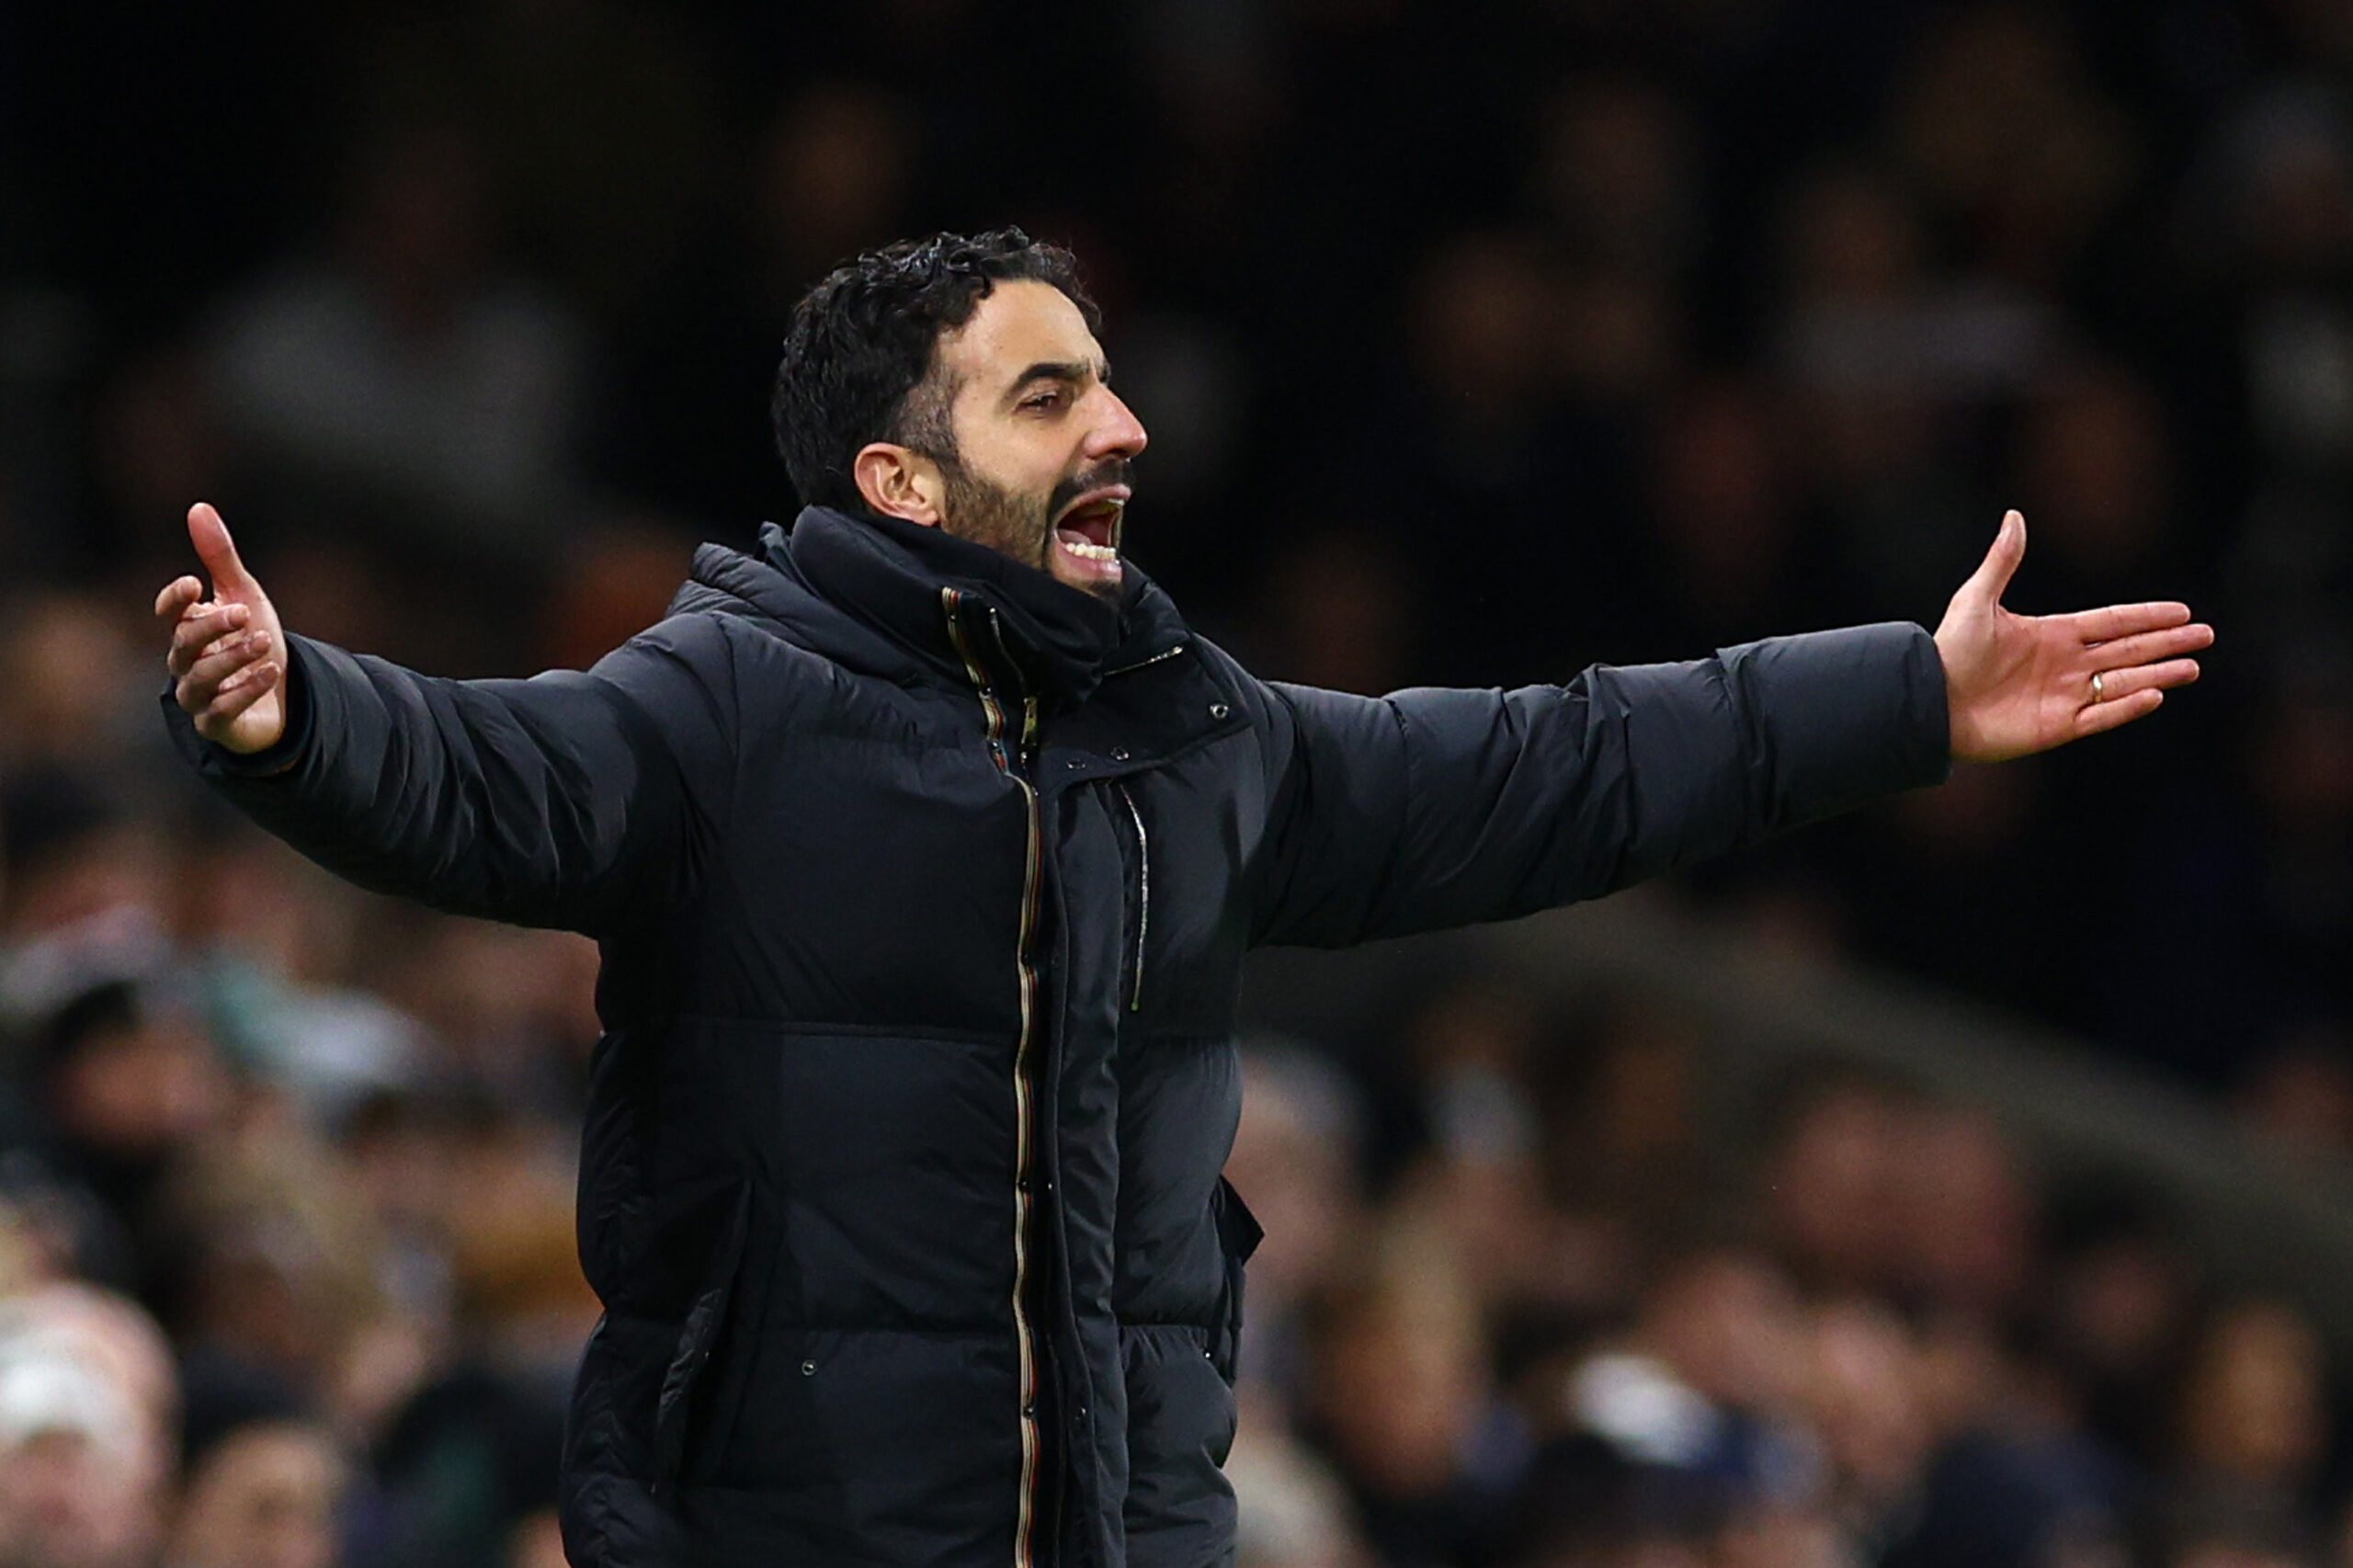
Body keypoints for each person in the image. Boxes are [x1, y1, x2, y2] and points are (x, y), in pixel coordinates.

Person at [154, 230, 2211, 1568]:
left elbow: (1557, 758)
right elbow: (478, 777)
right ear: (894, 478)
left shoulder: (1193, 731)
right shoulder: (723, 705)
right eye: (1045, 395)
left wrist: (1904, 697)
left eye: (1107, 382)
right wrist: (289, 712)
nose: (1119, 425)